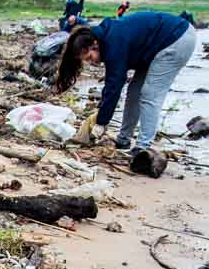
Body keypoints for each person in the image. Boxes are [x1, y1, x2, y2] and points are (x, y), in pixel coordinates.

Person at [54, 10, 198, 160]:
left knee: (150, 94)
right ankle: (124, 140)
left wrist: (102, 123)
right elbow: (112, 85)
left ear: (94, 45)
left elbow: (114, 85)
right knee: (134, 91)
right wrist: (101, 115)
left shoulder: (113, 43)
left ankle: (143, 147)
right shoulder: (108, 38)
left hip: (176, 39)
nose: (93, 62)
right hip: (152, 48)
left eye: (90, 57)